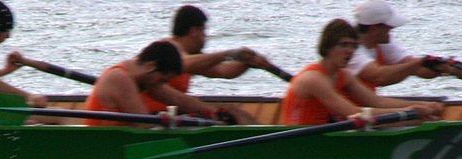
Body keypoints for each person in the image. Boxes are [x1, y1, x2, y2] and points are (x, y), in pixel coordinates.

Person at [279, 19, 441, 126]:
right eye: (344, 45)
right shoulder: (313, 79)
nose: (350, 51)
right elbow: (354, 113)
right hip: (300, 143)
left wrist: (423, 106)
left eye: (353, 46)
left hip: (325, 137)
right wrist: (409, 113)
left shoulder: (344, 75)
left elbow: (377, 102)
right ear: (328, 47)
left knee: (418, 119)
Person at [139, 5, 268, 121]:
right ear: (194, 31)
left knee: (235, 111)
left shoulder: (194, 58)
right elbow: (183, 63)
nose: (205, 37)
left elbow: (224, 71)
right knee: (233, 114)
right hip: (153, 116)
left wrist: (249, 63)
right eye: (204, 31)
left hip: (172, 112)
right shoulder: (168, 48)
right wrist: (230, 53)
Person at [83, 40, 250, 126]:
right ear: (150, 66)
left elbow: (181, 101)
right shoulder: (119, 78)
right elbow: (144, 125)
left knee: (234, 113)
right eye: (162, 80)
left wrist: (217, 113)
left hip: (123, 141)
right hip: (107, 144)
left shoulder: (146, 77)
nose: (161, 84)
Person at [348, 0, 460, 88]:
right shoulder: (351, 49)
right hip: (346, 113)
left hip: (366, 107)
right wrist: (421, 62)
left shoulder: (383, 42)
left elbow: (418, 69)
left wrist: (443, 68)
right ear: (374, 28)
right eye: (389, 27)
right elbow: (380, 77)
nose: (392, 29)